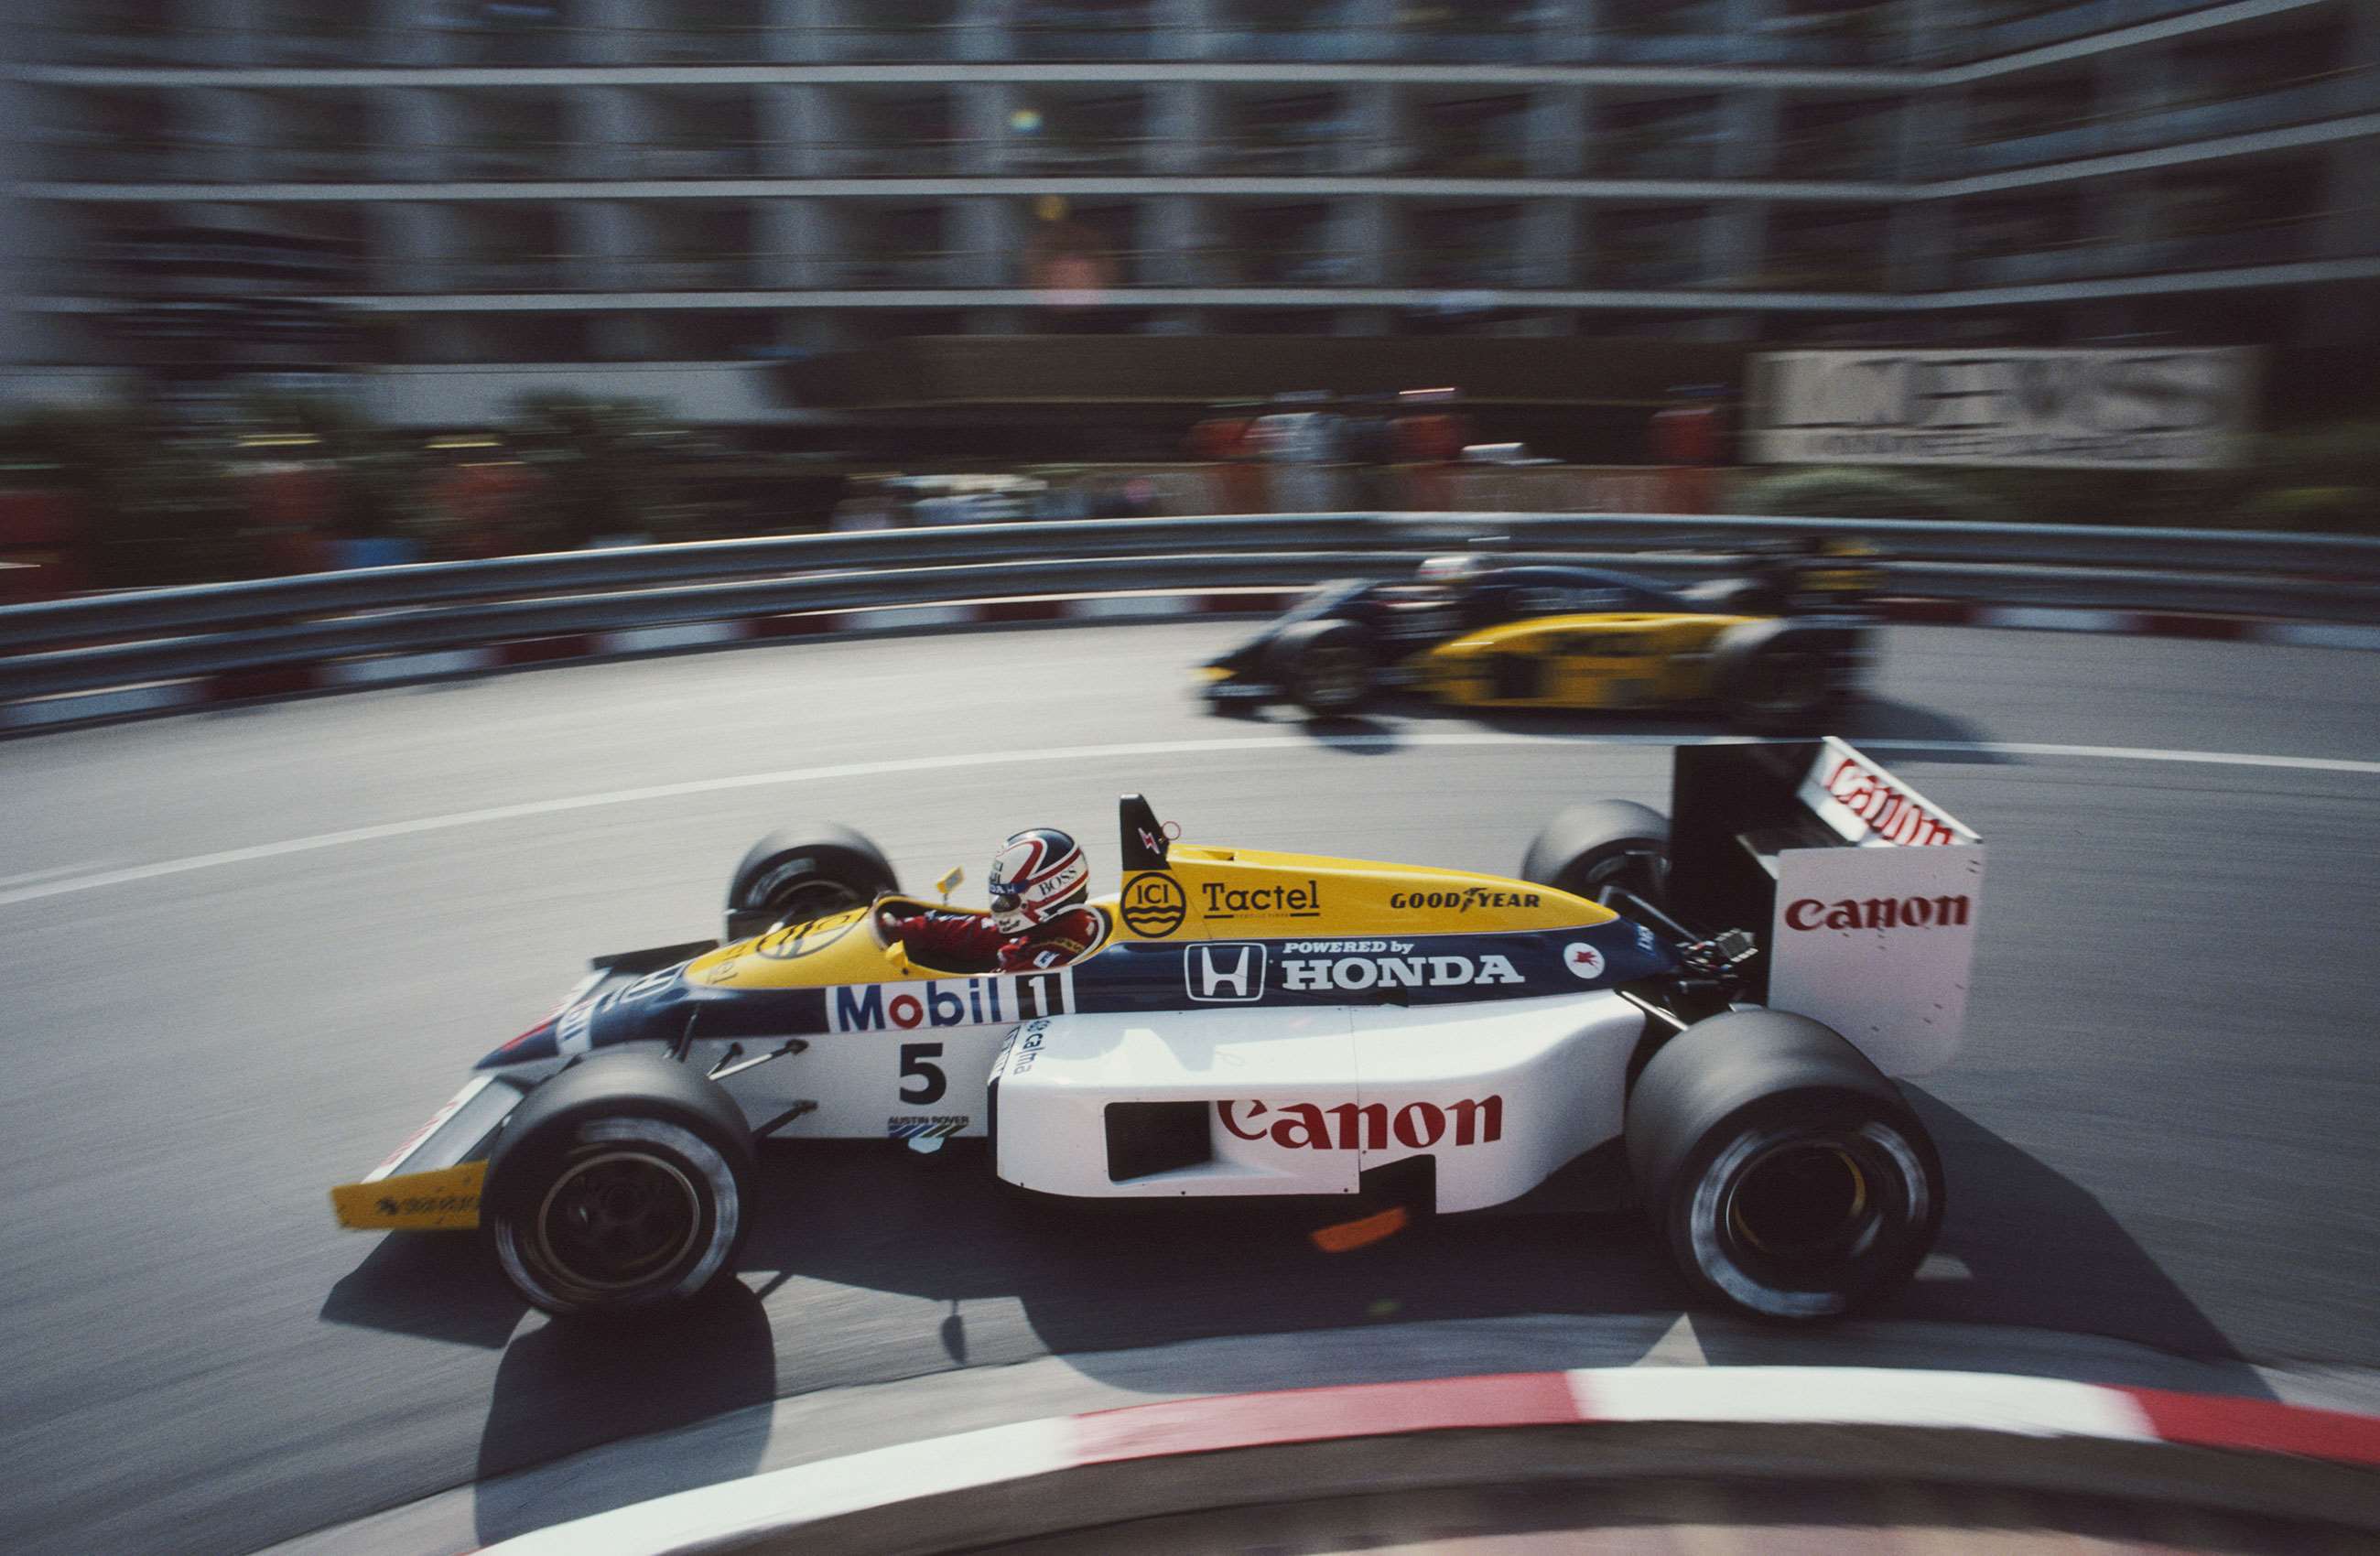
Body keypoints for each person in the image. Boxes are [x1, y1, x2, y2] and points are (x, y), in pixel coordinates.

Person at [880, 828, 1105, 973]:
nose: (999, 906)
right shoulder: (1053, 928)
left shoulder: (1041, 968)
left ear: (1046, 895)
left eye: (1008, 898)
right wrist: (901, 928)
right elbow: (977, 932)